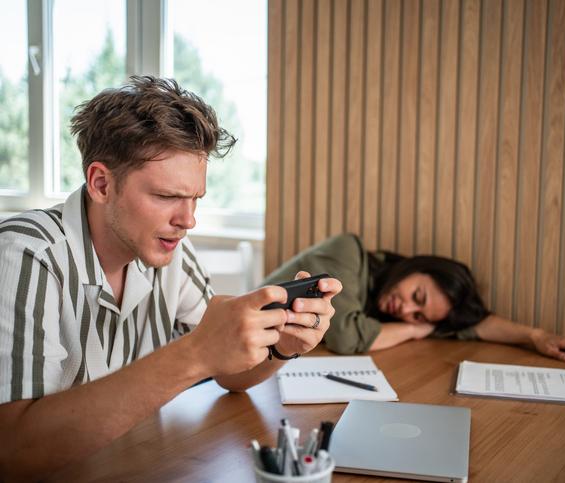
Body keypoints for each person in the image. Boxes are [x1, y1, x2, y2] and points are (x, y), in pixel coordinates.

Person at [0, 76, 341, 480]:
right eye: (166, 197)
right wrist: (195, 352)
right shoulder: (26, 254)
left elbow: (228, 373)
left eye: (195, 198)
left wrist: (281, 346)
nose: (188, 220)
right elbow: (13, 451)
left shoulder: (167, 250)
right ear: (101, 183)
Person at [263, 233, 565, 364]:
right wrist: (415, 330)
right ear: (416, 267)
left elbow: (474, 325)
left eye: (419, 316)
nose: (407, 309)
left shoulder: (405, 315)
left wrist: (536, 336)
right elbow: (347, 335)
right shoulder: (346, 252)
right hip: (251, 353)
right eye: (418, 295)